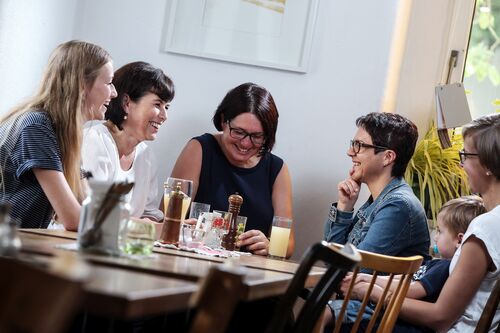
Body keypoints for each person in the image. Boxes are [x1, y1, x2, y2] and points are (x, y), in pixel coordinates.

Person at [384, 113, 500, 332]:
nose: (460, 163)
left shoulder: (486, 226)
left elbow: (440, 317)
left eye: (465, 155)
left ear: (488, 164)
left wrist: (376, 294)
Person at [323, 196, 486, 332]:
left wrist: (369, 288)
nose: (435, 236)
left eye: (440, 231)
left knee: (331, 317)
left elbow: (413, 290)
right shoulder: (434, 264)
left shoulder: (447, 267)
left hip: (404, 324)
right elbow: (400, 279)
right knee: (328, 313)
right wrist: (365, 277)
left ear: (459, 239)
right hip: (387, 313)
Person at [0, 40, 117, 230]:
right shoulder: (36, 127)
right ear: (82, 85)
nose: (114, 93)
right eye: (109, 83)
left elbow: (87, 204)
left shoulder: (62, 131)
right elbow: (73, 218)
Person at [170, 82, 293, 257]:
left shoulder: (277, 169)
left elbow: (288, 244)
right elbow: (169, 218)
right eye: (238, 132)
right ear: (223, 121)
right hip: (195, 261)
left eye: (257, 136)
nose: (245, 143)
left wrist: (269, 245)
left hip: (250, 271)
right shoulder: (200, 149)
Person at [323, 112, 430, 260]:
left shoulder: (398, 206)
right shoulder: (377, 201)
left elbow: (353, 267)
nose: (349, 152)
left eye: (358, 145)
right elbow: (332, 260)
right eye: (353, 144)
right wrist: (344, 207)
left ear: (387, 157)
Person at [82, 61, 174, 222]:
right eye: (158, 104)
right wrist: (164, 229)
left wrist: (178, 226)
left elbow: (148, 213)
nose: (164, 116)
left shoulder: (146, 156)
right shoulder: (95, 141)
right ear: (126, 103)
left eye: (167, 107)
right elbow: (95, 214)